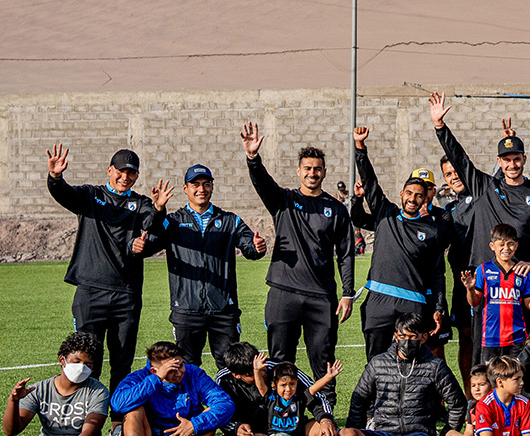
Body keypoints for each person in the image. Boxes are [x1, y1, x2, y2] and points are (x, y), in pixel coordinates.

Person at [241, 122, 354, 401]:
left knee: (323, 359)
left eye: (317, 168)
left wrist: (348, 293)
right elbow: (263, 183)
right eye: (307, 168)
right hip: (284, 293)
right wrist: (253, 159)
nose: (312, 173)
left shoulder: (337, 210)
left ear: (324, 172)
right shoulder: (284, 201)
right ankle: (280, 418)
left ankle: (324, 416)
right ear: (299, 171)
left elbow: (347, 253)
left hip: (321, 297)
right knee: (281, 360)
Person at [45, 144, 163, 388]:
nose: (125, 177)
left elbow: (154, 228)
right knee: (86, 361)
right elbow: (64, 194)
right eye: (120, 171)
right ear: (110, 170)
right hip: (90, 292)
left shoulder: (141, 203)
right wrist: (56, 177)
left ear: (137, 176)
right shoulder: (91, 196)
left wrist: (159, 211)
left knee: (122, 362)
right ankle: (89, 418)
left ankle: (118, 422)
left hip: (126, 294)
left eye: (131, 173)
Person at [134, 164, 265, 371]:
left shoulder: (230, 220)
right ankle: (193, 405)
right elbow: (148, 245)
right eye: (195, 184)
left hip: (223, 310)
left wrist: (258, 247)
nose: (201, 189)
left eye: (206, 184)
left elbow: (250, 247)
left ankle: (227, 405)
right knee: (186, 368)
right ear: (185, 188)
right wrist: (157, 212)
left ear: (212, 187)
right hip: (186, 310)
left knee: (231, 367)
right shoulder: (172, 222)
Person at [350, 126, 451, 359]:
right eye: (409, 193)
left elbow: (436, 274)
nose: (413, 199)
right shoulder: (386, 214)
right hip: (378, 302)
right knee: (375, 363)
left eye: (418, 194)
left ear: (425, 197)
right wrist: (360, 147)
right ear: (401, 194)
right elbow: (370, 181)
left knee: (410, 363)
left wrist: (437, 307)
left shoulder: (432, 230)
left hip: (411, 304)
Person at [430, 93, 530, 271]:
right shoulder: (485, 187)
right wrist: (440, 127)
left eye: (516, 159)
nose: (512, 165)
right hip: (485, 278)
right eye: (507, 160)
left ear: (524, 159)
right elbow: (460, 159)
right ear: (499, 162)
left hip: (519, 277)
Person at [340, 314, 467, 436]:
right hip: (382, 433)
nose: (407, 341)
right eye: (402, 336)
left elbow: (457, 403)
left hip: (418, 434)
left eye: (412, 337)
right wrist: (358, 430)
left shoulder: (435, 366)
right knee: (347, 433)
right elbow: (359, 399)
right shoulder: (378, 363)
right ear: (395, 336)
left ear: (424, 337)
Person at [0, 331, 120, 436]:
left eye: (87, 364)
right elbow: (11, 430)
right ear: (62, 360)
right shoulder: (40, 389)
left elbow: (90, 431)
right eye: (76, 361)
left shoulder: (97, 391)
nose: (81, 368)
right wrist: (13, 401)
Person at [111, 340, 235, 436]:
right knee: (133, 409)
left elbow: (225, 404)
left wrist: (194, 425)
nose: (178, 373)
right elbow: (118, 404)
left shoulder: (193, 374)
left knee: (209, 415)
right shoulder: (140, 377)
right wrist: (156, 379)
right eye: (171, 370)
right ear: (154, 370)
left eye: (180, 365)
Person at [212, 342, 340, 436]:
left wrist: (325, 419)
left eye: (263, 369)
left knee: (323, 431)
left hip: (295, 430)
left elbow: (314, 394)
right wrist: (237, 427)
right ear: (236, 375)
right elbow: (218, 414)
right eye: (253, 374)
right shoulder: (224, 380)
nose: (262, 374)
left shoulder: (282, 370)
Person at [463, 223, 530, 364]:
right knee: (492, 379)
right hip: (491, 338)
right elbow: (474, 302)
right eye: (501, 244)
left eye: (510, 244)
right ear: (492, 246)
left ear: (516, 246)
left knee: (514, 377)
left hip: (516, 337)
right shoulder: (484, 270)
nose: (506, 249)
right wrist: (470, 289)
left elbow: (528, 302)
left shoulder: (521, 271)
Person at [437, 157, 479, 375]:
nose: (454, 177)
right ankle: (470, 398)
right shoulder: (449, 211)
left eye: (456, 171)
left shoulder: (484, 197)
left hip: (490, 284)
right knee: (466, 340)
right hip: (462, 285)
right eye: (448, 174)